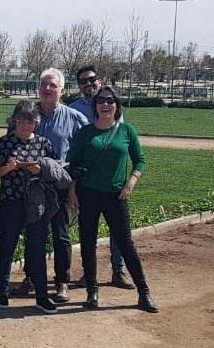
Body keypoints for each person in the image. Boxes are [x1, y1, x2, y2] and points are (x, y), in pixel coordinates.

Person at [67, 86, 159, 313]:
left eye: (110, 100)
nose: (105, 104)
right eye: (101, 101)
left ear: (116, 105)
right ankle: (92, 290)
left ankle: (143, 292)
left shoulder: (126, 131)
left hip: (116, 195)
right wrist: (72, 191)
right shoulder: (85, 133)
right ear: (95, 105)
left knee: (126, 244)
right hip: (88, 193)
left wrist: (131, 181)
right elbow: (73, 165)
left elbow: (140, 160)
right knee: (88, 243)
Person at [12, 68, 87, 303]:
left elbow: (83, 157)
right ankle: (32, 278)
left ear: (62, 90)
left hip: (61, 185)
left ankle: (62, 281)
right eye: (44, 84)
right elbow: (11, 143)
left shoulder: (75, 119)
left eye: (52, 85)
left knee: (61, 235)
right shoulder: (27, 114)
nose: (47, 89)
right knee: (34, 233)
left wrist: (74, 187)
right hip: (32, 186)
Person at [0, 101, 69, 314]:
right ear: (15, 120)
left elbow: (54, 173)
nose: (25, 124)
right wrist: (7, 168)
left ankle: (41, 295)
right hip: (12, 201)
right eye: (21, 120)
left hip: (37, 204)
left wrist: (38, 171)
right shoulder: (5, 143)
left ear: (36, 123)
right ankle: (2, 291)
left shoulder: (44, 144)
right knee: (7, 246)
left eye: (30, 121)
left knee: (37, 249)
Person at [69, 65, 132, 290]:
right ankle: (89, 273)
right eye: (83, 81)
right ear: (78, 85)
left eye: (91, 79)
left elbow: (121, 142)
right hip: (87, 181)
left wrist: (129, 177)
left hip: (113, 181)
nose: (88, 84)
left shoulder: (112, 105)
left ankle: (119, 270)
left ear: (99, 79)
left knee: (118, 230)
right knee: (88, 231)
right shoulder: (74, 109)